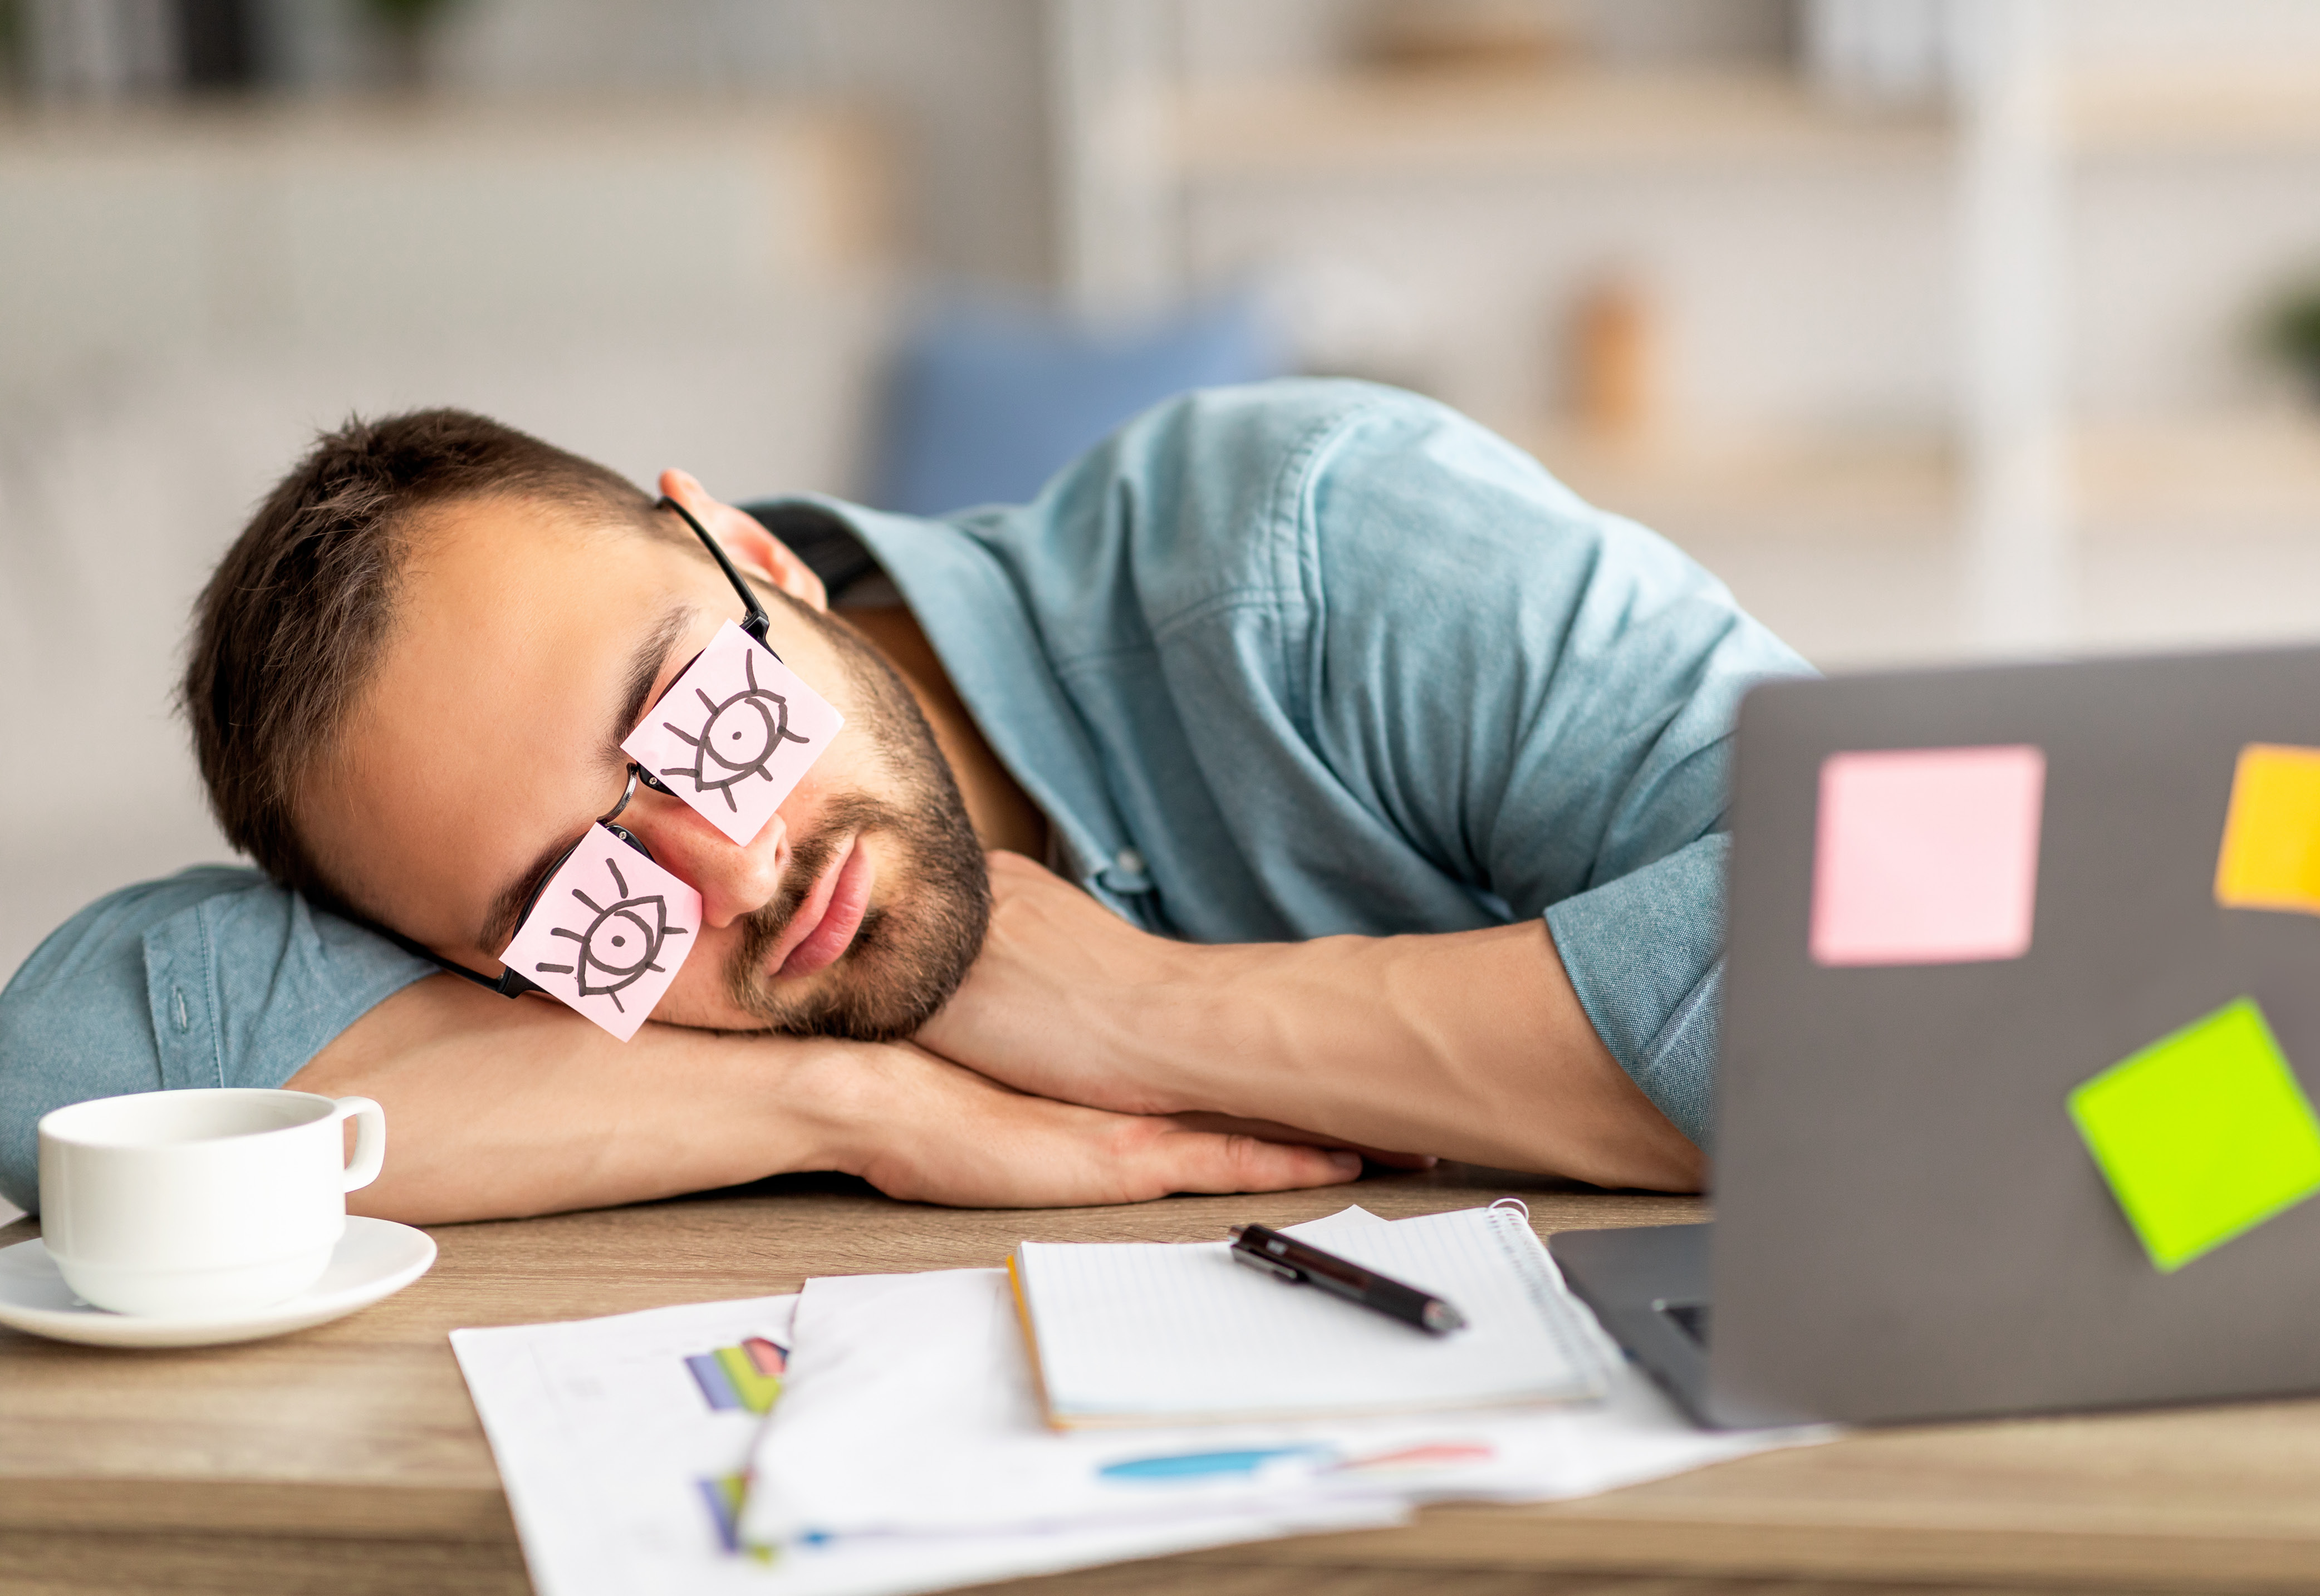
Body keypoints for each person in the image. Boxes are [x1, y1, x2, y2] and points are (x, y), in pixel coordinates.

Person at [0, 380, 1807, 1221]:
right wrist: (848, 1093)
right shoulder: (586, 989)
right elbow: (58, 1072)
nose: (725, 866)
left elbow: (1956, 938)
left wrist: (1147, 1011)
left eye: (686, 711)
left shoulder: (1302, 552)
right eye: (581, 900)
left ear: (761, 557)